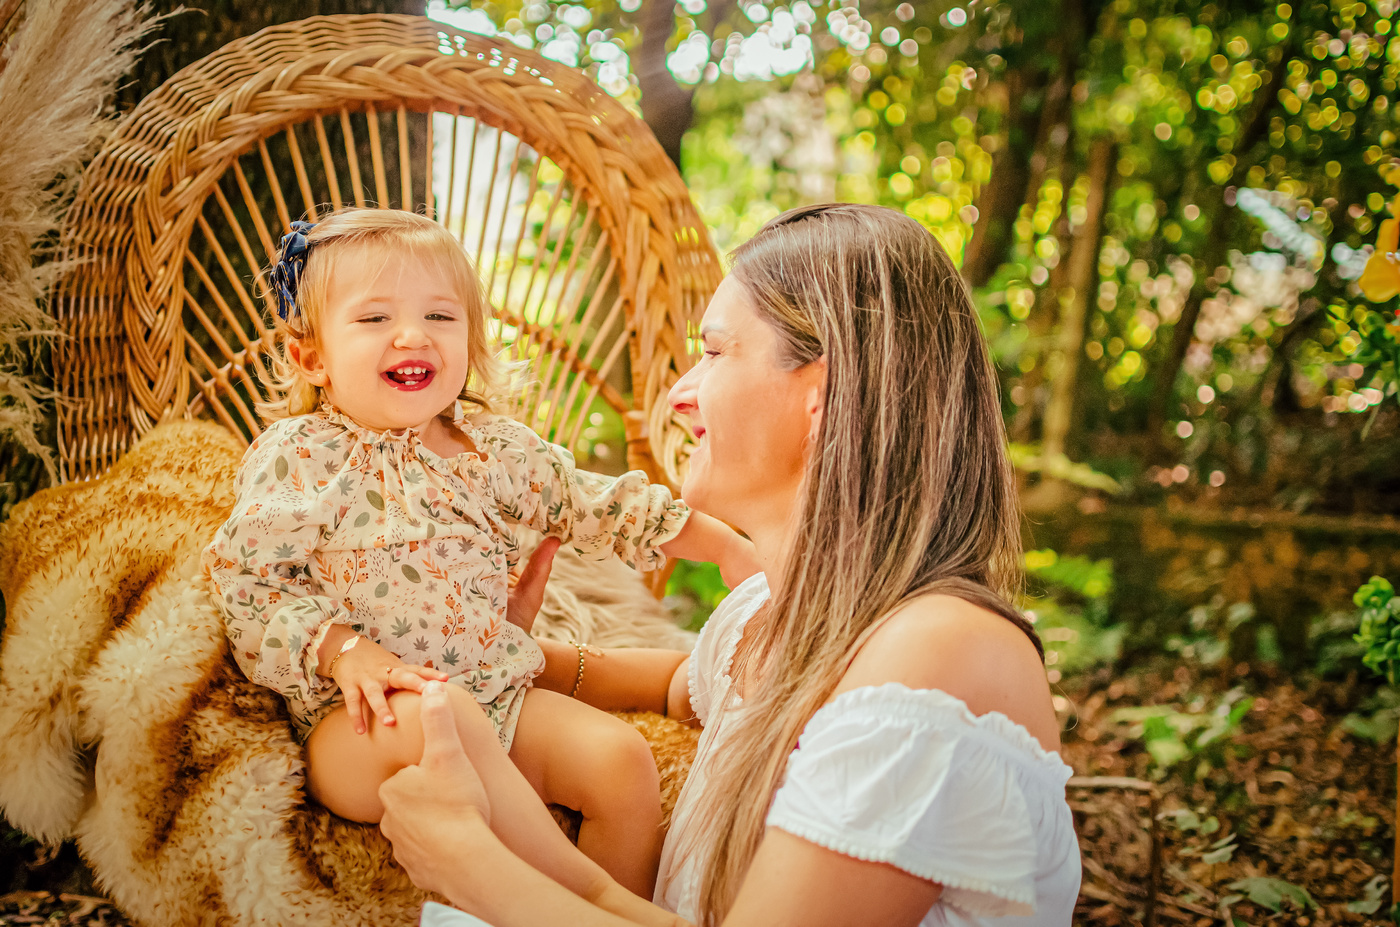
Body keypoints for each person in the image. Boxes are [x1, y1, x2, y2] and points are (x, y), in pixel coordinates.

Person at [377, 202, 1082, 927]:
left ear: (822, 396)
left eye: (714, 353)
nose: (679, 395)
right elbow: (680, 684)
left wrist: (467, 861)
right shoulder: (765, 617)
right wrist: (493, 654)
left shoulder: (936, 656)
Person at [202, 208, 756, 898]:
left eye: (440, 316)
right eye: (374, 318)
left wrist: (726, 546)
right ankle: (579, 896)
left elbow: (596, 503)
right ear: (311, 358)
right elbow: (248, 581)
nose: (413, 334)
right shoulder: (301, 457)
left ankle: (616, 909)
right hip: (364, 726)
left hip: (497, 698)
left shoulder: (491, 448)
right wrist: (342, 650)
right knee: (442, 711)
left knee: (621, 761)